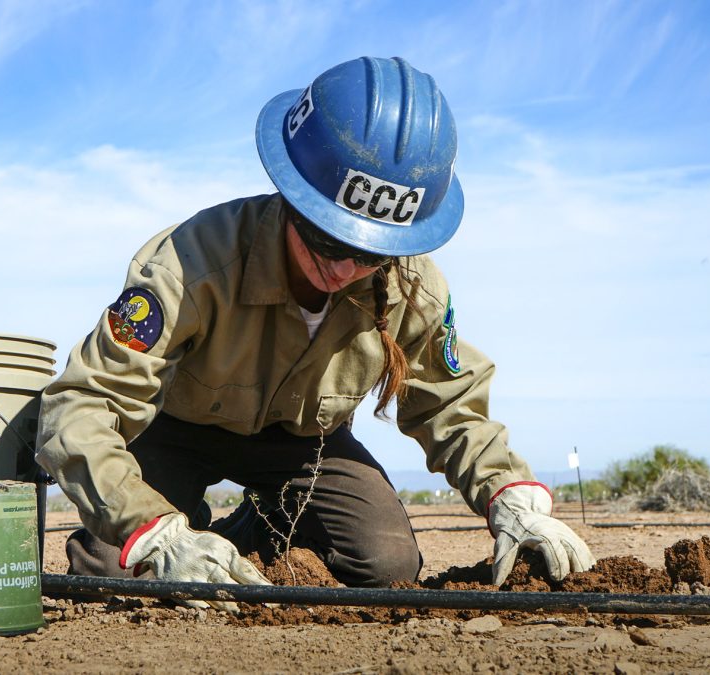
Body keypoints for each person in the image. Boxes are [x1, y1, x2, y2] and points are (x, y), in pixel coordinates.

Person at [35, 56, 595, 609]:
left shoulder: (411, 286)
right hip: (177, 430)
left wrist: (512, 495)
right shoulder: (190, 263)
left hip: (305, 446)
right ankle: (181, 534)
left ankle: (253, 534)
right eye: (330, 241)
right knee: (116, 567)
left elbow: (450, 406)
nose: (346, 269)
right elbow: (81, 407)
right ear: (292, 197)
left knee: (387, 564)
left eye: (371, 252)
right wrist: (154, 531)